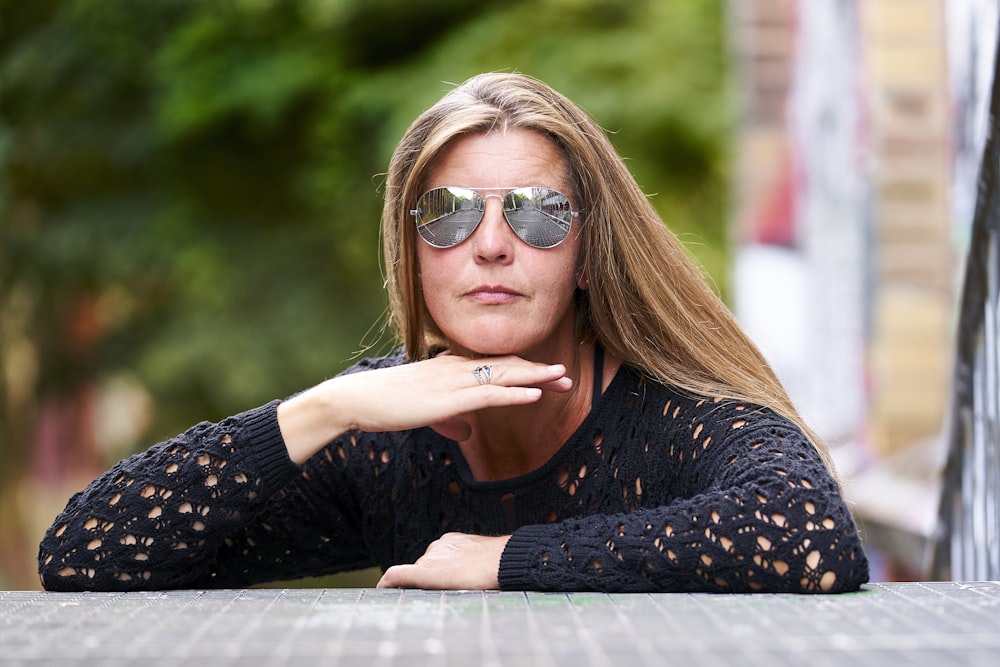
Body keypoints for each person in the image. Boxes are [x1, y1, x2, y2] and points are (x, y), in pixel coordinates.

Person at [38, 72, 869, 593]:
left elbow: (808, 535)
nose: (493, 244)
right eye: (449, 214)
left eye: (540, 213)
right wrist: (323, 408)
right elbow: (85, 552)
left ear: (587, 255)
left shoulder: (670, 414)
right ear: (414, 253)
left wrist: (504, 558)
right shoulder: (385, 436)